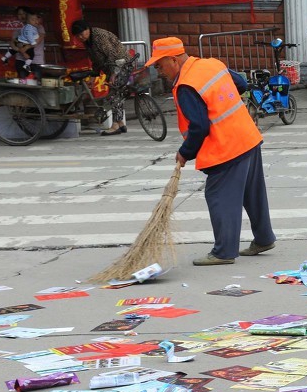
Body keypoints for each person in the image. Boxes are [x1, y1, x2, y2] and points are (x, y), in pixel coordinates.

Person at [145, 37, 275, 266]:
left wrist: (185, 152)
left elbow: (199, 126)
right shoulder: (211, 64)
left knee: (218, 196)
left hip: (226, 147)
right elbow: (242, 85)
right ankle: (264, 239)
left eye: (159, 65)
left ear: (173, 60)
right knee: (252, 193)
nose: (159, 72)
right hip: (247, 136)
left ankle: (224, 252)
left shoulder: (186, 85)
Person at [71, 19, 137, 136]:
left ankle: (115, 125)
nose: (81, 37)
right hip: (111, 67)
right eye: (78, 36)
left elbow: (112, 54)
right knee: (116, 94)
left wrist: (113, 74)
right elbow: (96, 60)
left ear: (87, 29)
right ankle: (121, 123)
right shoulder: (88, 41)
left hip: (120, 64)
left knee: (114, 95)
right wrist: (93, 75)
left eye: (82, 33)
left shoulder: (98, 36)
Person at [12, 9, 45, 80]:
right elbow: (14, 43)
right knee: (23, 82)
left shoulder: (39, 28)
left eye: (24, 14)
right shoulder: (18, 29)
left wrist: (25, 48)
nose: (22, 16)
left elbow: (37, 41)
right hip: (21, 60)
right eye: (19, 14)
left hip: (36, 61)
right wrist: (23, 52)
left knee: (36, 82)